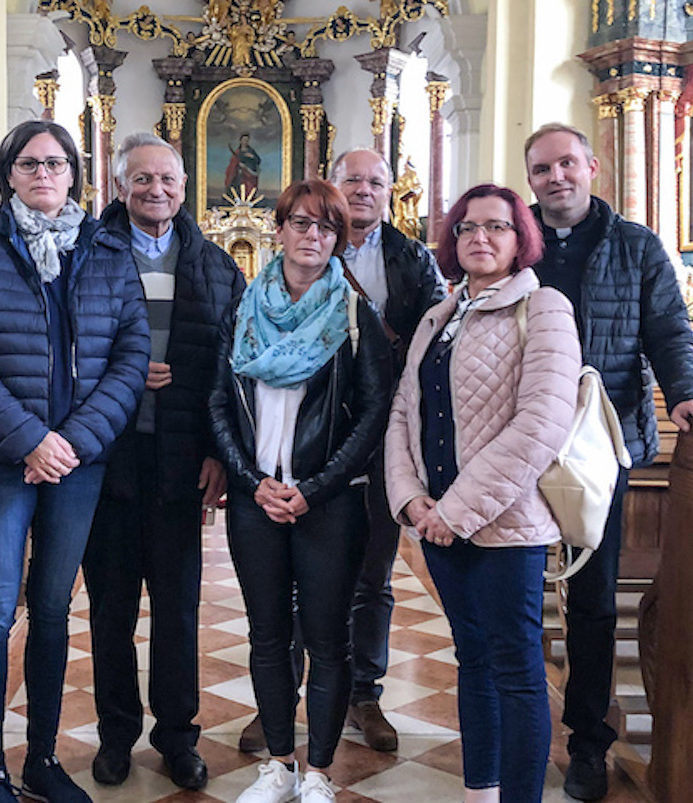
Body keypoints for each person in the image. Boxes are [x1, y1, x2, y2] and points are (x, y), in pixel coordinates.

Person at [0, 120, 150, 803]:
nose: (43, 174)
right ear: (9, 175)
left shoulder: (108, 250)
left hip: (77, 462)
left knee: (53, 608)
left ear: (74, 175)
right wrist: (28, 439)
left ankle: (43, 759)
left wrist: (72, 442)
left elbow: (131, 356)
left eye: (55, 163)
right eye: (29, 164)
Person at [524, 122, 693, 801]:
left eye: (566, 164)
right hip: (521, 441)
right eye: (542, 168)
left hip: (600, 445)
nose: (556, 177)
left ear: (592, 167)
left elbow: (668, 329)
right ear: (531, 180)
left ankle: (588, 742)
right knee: (514, 594)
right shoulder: (515, 241)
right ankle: (519, 731)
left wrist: (687, 394)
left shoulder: (636, 246)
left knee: (593, 602)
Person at [237, 147, 445, 755]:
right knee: (293, 585)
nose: (363, 190)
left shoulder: (412, 258)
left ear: (389, 191)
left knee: (371, 576)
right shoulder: (270, 283)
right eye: (352, 179)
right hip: (299, 445)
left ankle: (363, 694)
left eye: (375, 182)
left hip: (379, 440)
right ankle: (281, 703)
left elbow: (433, 343)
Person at [385, 183, 580, 802]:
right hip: (438, 523)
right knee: (472, 661)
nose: (480, 237)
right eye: (468, 227)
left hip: (506, 525)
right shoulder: (439, 316)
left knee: (516, 671)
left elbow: (541, 422)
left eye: (497, 226)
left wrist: (456, 511)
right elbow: (404, 413)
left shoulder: (544, 307)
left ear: (521, 238)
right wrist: (410, 499)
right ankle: (481, 792)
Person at [209, 179, 392, 803]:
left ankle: (318, 775)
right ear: (279, 229)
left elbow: (373, 413)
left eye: (326, 227)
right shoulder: (242, 311)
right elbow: (219, 403)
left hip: (329, 503)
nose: (313, 236)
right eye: (301, 223)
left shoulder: (354, 315)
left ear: (338, 239)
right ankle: (279, 767)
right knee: (266, 636)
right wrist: (250, 481)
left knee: (327, 640)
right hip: (256, 498)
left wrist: (315, 487)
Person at [82, 132, 245, 792]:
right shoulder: (88, 255)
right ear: (121, 186)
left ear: (184, 187)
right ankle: (116, 734)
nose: (156, 190)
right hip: (107, 459)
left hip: (181, 461)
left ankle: (178, 736)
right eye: (142, 179)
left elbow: (231, 370)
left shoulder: (216, 266)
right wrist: (122, 376)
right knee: (111, 610)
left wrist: (219, 454)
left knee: (177, 611)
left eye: (167, 179)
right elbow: (64, 347)